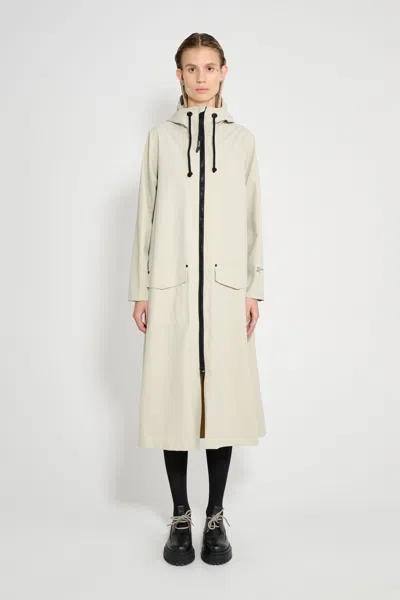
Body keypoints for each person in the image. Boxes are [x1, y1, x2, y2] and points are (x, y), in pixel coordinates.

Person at [128, 32, 266, 566]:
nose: (201, 77)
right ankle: (180, 516)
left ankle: (215, 516)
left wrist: (253, 288)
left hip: (226, 291)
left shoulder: (242, 141)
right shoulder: (159, 140)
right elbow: (145, 216)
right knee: (173, 400)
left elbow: (254, 219)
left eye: (210, 67)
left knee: (222, 403)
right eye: (192, 68)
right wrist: (140, 289)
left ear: (224, 71)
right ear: (179, 75)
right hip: (171, 288)